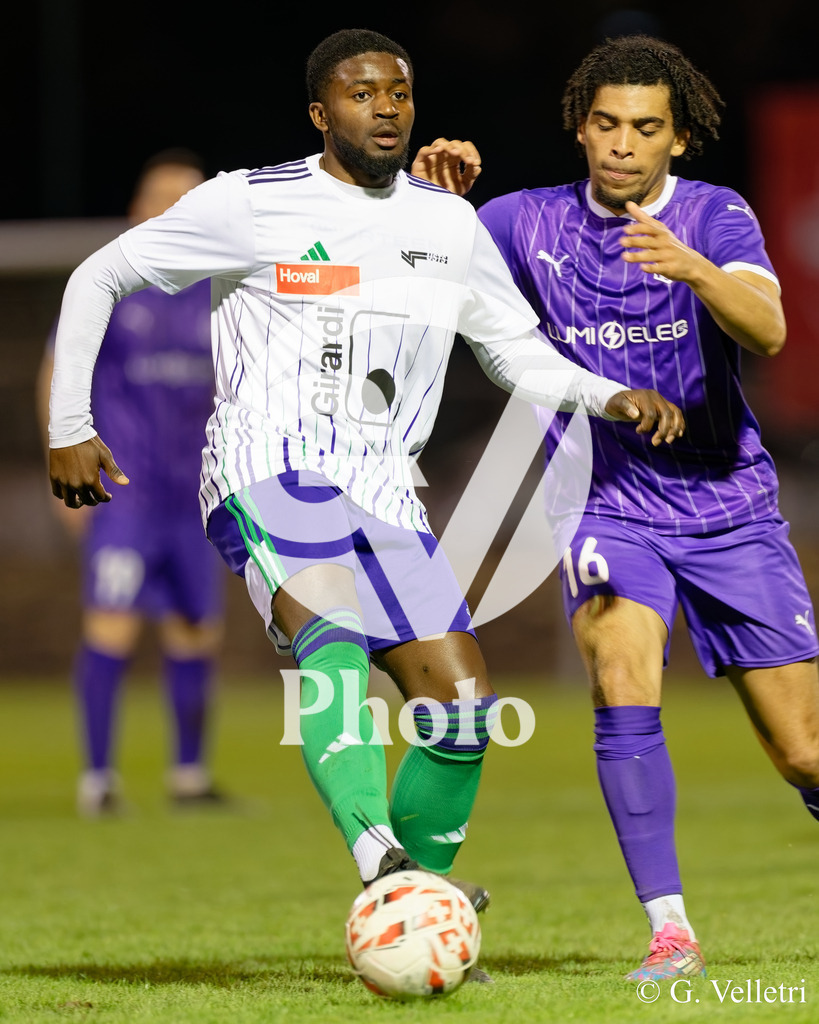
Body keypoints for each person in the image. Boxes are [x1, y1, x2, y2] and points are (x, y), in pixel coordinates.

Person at [45, 28, 683, 923]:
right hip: (268, 465)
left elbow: (513, 353)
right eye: (360, 93)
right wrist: (69, 425)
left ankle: (412, 912)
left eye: (398, 92)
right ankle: (378, 859)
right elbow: (98, 276)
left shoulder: (444, 221)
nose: (384, 107)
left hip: (385, 488)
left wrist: (609, 395)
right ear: (321, 113)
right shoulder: (250, 203)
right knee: (332, 635)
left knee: (462, 706)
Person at [461, 33, 819, 981]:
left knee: (801, 753)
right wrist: (428, 190)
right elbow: (423, 259)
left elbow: (771, 330)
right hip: (603, 502)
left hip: (729, 507)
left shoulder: (714, 214)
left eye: (645, 129)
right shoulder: (521, 223)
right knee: (621, 676)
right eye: (607, 124)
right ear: (581, 128)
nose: (623, 144)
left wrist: (691, 270)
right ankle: (670, 931)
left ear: (679, 140)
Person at [37, 149, 229, 816]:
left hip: (196, 494)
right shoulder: (109, 283)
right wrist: (63, 460)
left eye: (189, 198)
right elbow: (58, 372)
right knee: (112, 624)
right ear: (137, 211)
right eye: (163, 198)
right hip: (125, 493)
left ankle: (189, 776)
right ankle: (99, 779)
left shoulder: (223, 291)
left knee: (196, 629)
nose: (176, 210)